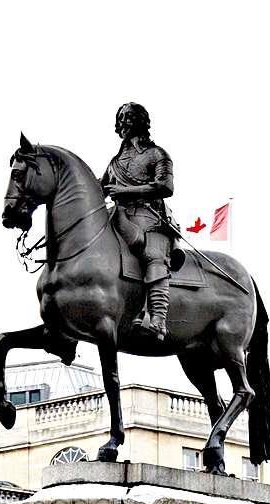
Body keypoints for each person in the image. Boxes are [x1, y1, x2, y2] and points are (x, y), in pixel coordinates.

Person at [101, 102, 175, 339]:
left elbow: (165, 186)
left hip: (149, 217)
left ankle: (158, 319)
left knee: (153, 256)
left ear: (141, 122)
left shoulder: (157, 154)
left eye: (128, 117)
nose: (123, 123)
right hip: (118, 216)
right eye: (120, 118)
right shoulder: (115, 161)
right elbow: (100, 188)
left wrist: (127, 192)